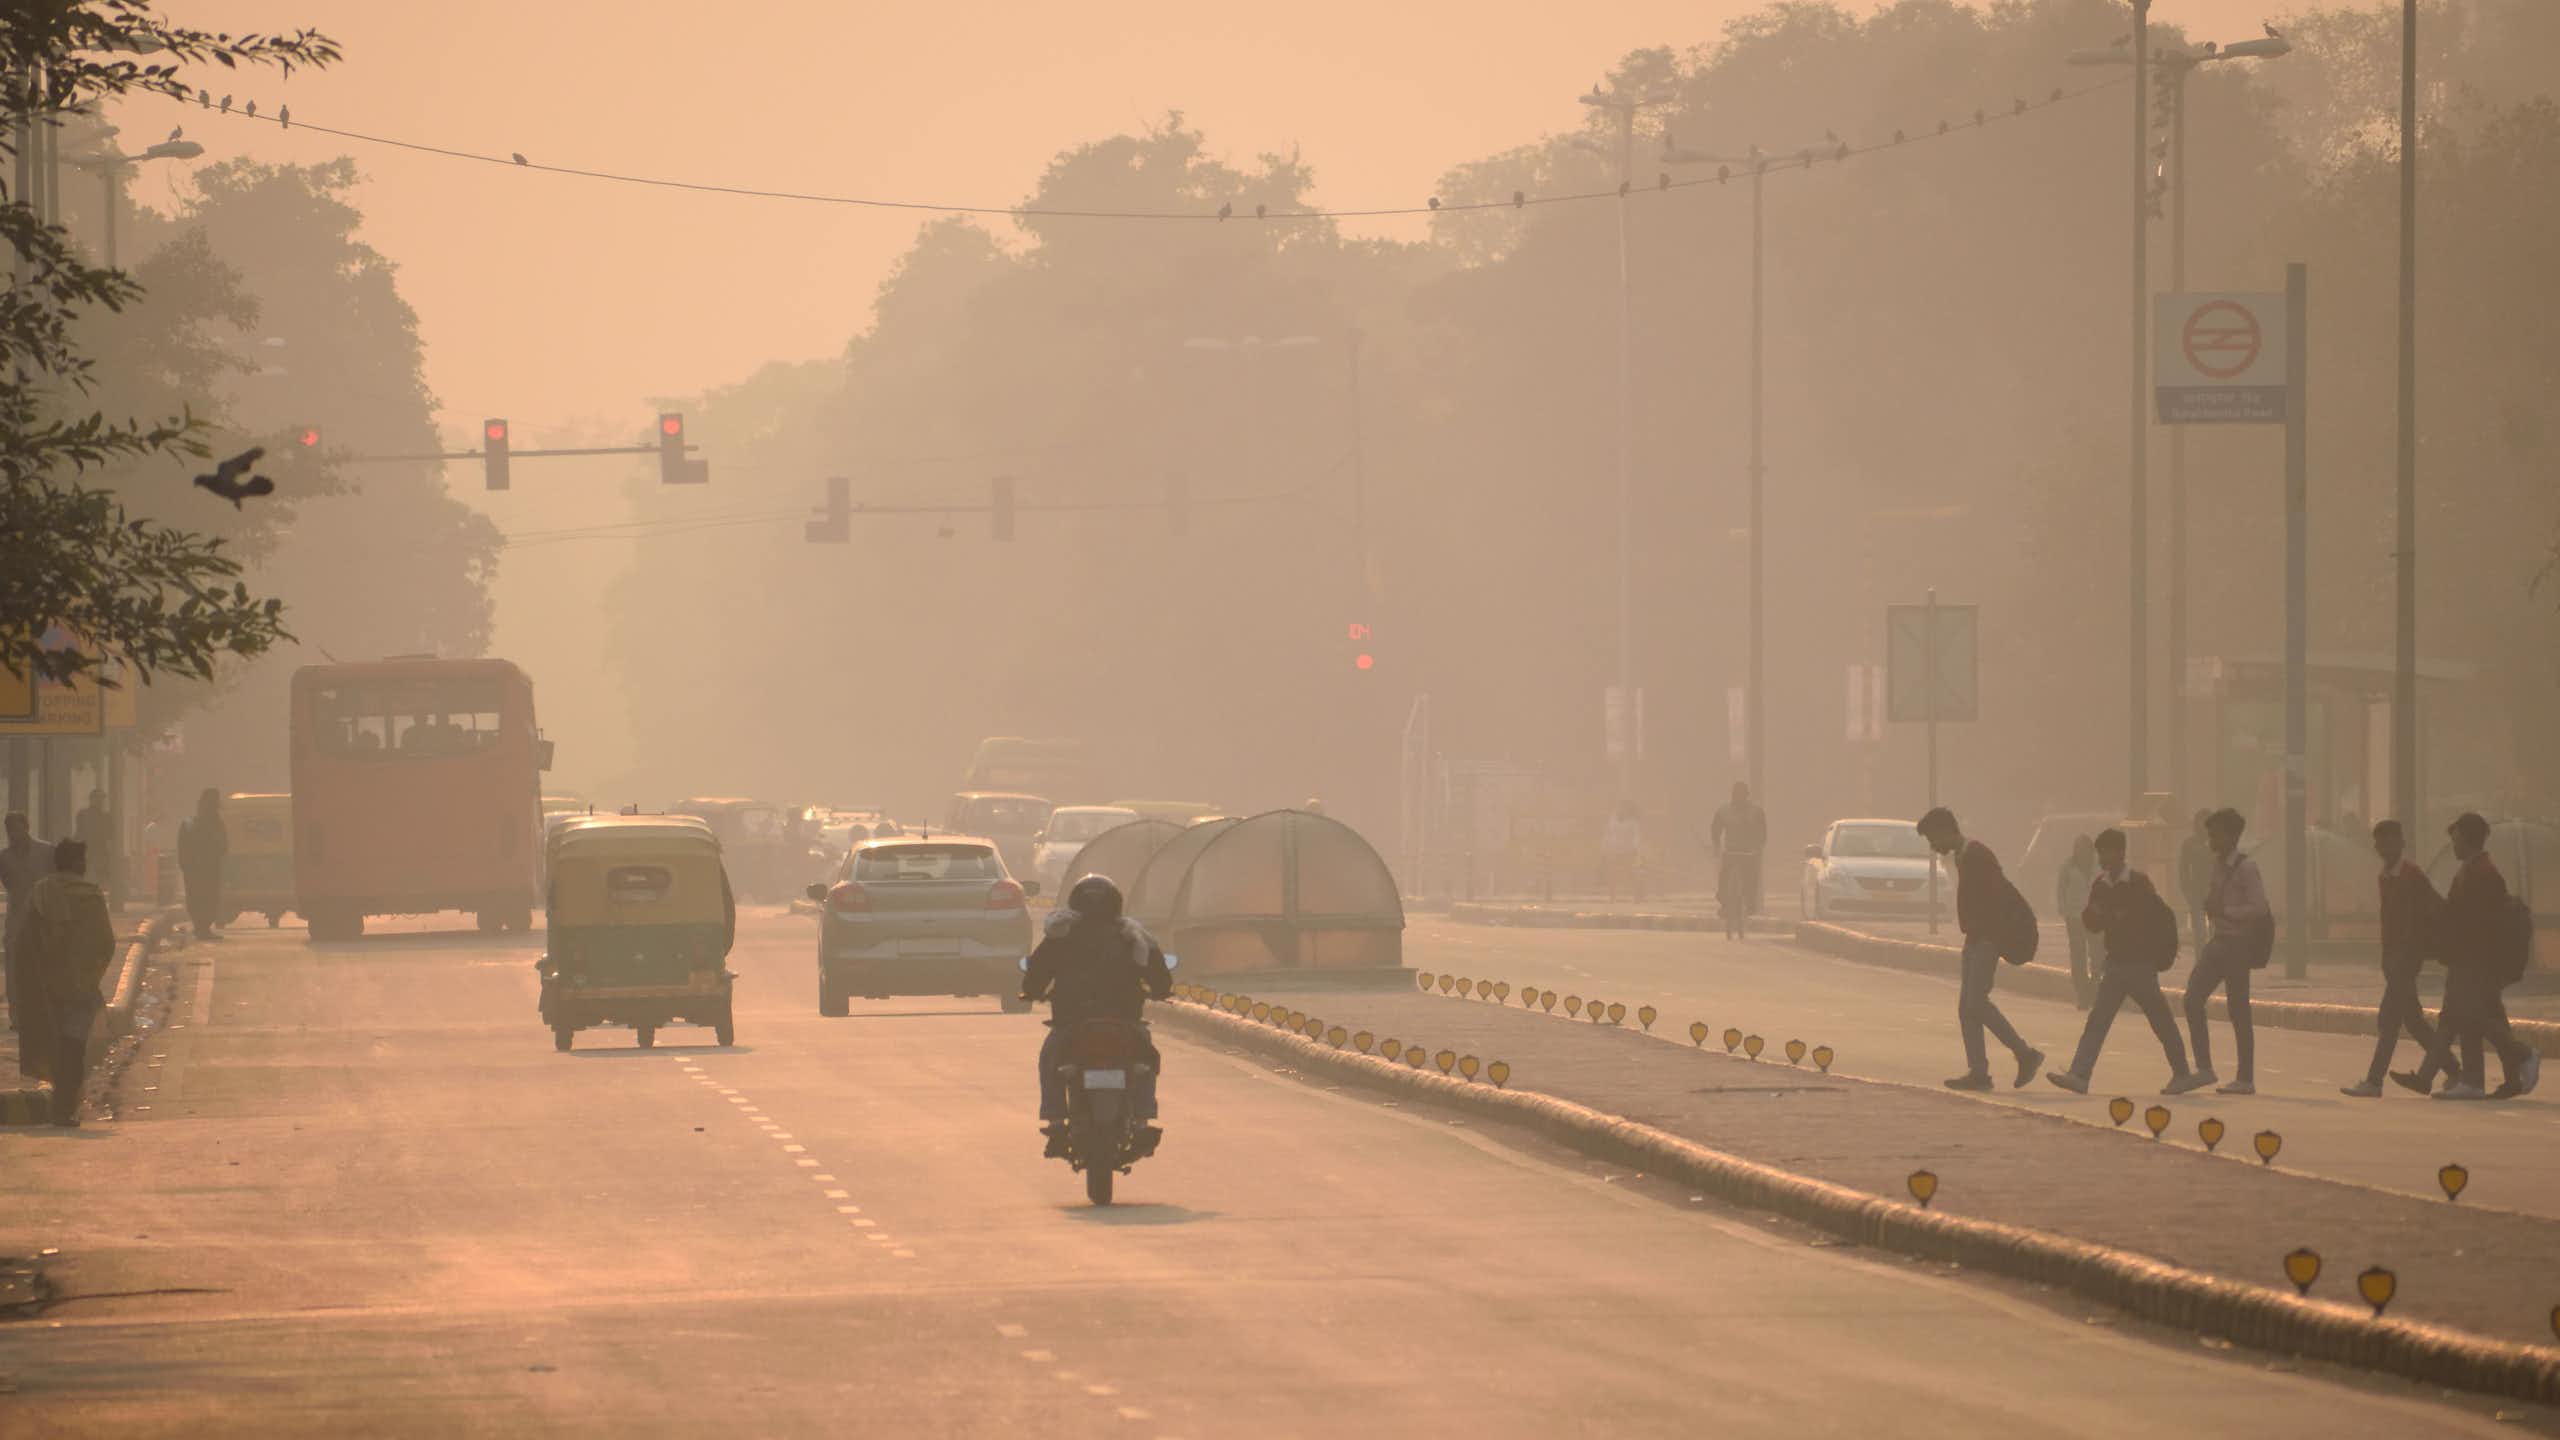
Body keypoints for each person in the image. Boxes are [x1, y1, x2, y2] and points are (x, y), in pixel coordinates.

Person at [1020, 875, 1173, 1157]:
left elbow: (1036, 973)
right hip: (1124, 1020)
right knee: (1146, 1060)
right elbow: (1160, 976)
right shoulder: (1133, 935)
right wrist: (1160, 991)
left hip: (1072, 1021)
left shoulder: (1061, 934)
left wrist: (1030, 992)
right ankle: (1142, 1120)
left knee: (1050, 1059)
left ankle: (1055, 1122)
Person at [2047, 829, 2203, 1096]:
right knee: (2098, 1021)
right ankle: (2080, 1075)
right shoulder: (2101, 885)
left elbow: (2156, 917)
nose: (2102, 857)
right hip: (2116, 964)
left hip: (2140, 964)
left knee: (2161, 1020)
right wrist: (2097, 915)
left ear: (2120, 852)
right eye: (2100, 852)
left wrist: (2154, 949)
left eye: (2105, 852)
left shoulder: (2138, 883)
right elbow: (2092, 923)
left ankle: (2182, 1074)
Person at [1915, 807, 2043, 1092]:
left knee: (1975, 1002)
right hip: (1975, 938)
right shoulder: (1964, 856)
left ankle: (2025, 1054)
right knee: (1966, 1007)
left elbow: (1996, 899)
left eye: (1933, 838)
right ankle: (1979, 1072)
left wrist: (1988, 938)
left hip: (1986, 938)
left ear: (1946, 831)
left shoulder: (1977, 855)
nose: (1933, 847)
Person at [2429, 812, 2540, 1101]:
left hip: (2475, 959)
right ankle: (2496, 1079)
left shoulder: (2484, 874)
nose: (2452, 843)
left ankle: (2521, 1056)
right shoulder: (2472, 869)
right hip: (2468, 957)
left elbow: (2480, 923)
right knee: (2488, 1015)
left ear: (2466, 838)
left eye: (2455, 838)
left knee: (2470, 1016)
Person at [2343, 819, 2451, 1097]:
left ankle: (2374, 1080)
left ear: (2400, 842)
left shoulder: (2411, 874)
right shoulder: (2386, 876)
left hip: (2406, 958)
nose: (2383, 847)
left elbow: (2431, 910)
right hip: (2393, 959)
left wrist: (2416, 950)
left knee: (2388, 1020)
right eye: (2379, 842)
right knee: (2413, 1022)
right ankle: (2455, 1070)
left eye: (2388, 841)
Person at [23, 840, 116, 1126]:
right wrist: (91, 976)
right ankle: (63, 1108)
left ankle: (60, 1105)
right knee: (73, 1047)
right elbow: (106, 943)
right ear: (79, 863)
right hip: (80, 986)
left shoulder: (41, 892)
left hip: (44, 985)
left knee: (53, 1044)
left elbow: (26, 942)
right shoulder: (90, 896)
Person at [2183, 808, 2269, 1096]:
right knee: (2192, 999)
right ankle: (2205, 1068)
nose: (2211, 839)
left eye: (2216, 834)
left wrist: (2227, 911)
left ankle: (2245, 1078)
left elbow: (2259, 908)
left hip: (2237, 945)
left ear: (2232, 835)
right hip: (2218, 941)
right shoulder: (2216, 865)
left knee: (2238, 1010)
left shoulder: (2246, 867)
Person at [3, 811, 57, 1025]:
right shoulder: (4, 857)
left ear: (26, 827)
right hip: (16, 919)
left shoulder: (46, 851)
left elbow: (55, 881)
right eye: (10, 830)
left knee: (44, 966)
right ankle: (17, 1015)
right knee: (14, 967)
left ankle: (44, 1013)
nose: (14, 834)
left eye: (17, 828)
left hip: (43, 917)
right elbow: (8, 884)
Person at [1710, 782, 1766, 935]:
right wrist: (1717, 846)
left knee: (1751, 879)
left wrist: (1757, 849)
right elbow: (1716, 829)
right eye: (1736, 795)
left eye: (1741, 795)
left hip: (1748, 853)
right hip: (1730, 852)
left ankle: (1750, 904)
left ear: (1746, 796)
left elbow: (1762, 833)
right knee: (1724, 877)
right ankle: (1724, 904)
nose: (1738, 798)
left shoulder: (1755, 812)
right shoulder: (1724, 811)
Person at [2056, 834, 2100, 1009]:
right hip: (2074, 917)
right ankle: (2082, 993)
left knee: (2097, 957)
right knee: (2078, 957)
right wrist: (2064, 909)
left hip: (2096, 917)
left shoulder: (2099, 866)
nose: (2082, 853)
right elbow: (2060, 889)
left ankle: (2094, 991)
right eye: (2079, 849)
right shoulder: (2067, 867)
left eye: (2085, 849)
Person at [178, 787, 228, 939]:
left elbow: (223, 846)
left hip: (199, 871)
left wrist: (186, 867)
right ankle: (202, 927)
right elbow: (223, 846)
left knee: (201, 898)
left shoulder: (191, 824)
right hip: (205, 870)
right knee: (205, 898)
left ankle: (202, 927)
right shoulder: (210, 824)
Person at [2176, 809, 2214, 950]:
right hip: (2196, 891)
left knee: (2215, 931)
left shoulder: (2216, 842)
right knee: (2199, 932)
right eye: (2201, 821)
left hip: (2214, 891)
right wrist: (2186, 890)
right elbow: (2183, 869)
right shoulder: (2189, 843)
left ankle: (2215, 963)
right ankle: (2201, 962)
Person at [1601, 802, 1642, 903]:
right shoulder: (1612, 820)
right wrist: (1605, 845)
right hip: (1613, 850)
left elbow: (1636, 836)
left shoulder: (1633, 822)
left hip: (1628, 851)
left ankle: (1636, 896)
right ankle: (1612, 897)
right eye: (1619, 808)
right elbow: (1608, 833)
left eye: (1622, 808)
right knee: (1612, 874)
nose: (1620, 810)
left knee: (1631, 874)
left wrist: (1635, 848)